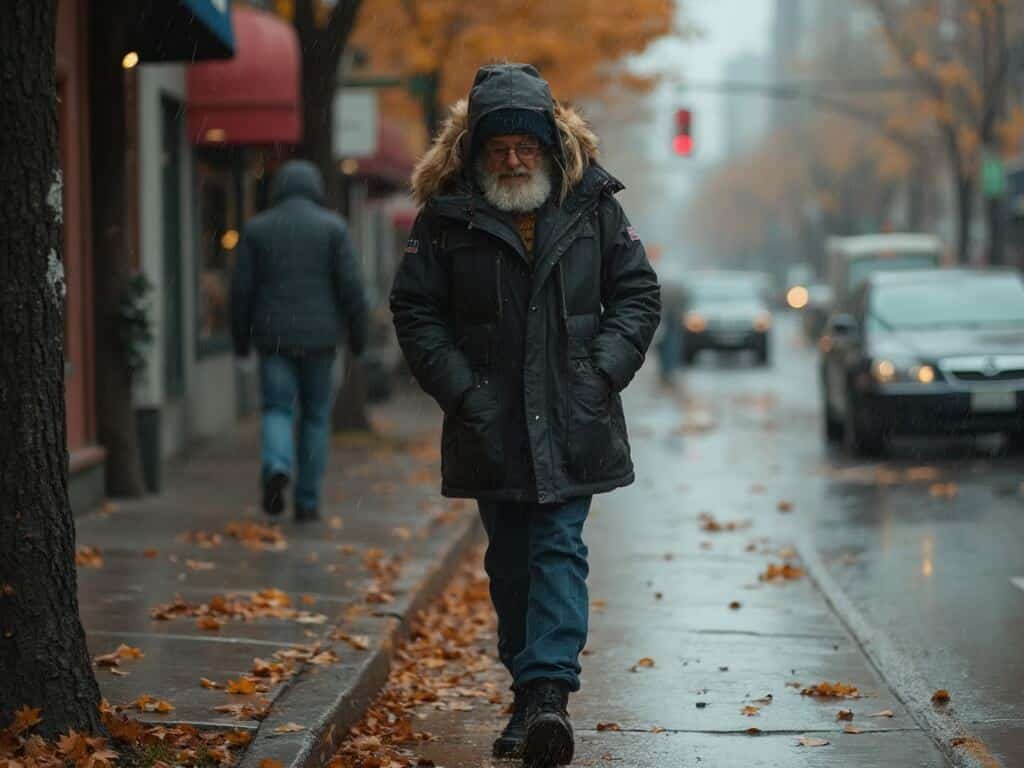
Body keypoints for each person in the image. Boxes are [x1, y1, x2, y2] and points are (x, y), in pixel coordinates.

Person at [390, 63, 660, 766]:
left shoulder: (595, 205)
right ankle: (527, 697)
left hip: (574, 418)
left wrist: (600, 372)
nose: (512, 160)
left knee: (558, 551)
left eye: (525, 146)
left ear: (548, 144)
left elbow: (637, 294)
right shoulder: (446, 216)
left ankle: (548, 698)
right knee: (511, 568)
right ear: (477, 151)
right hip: (491, 423)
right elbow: (414, 310)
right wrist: (463, 391)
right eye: (498, 148)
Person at [231, 160, 367, 522]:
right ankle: (307, 501)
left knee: (277, 408)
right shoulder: (333, 228)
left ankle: (277, 465)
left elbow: (241, 292)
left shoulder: (257, 229)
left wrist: (240, 341)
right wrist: (359, 337)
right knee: (316, 417)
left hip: (273, 337)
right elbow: (352, 288)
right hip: (321, 340)